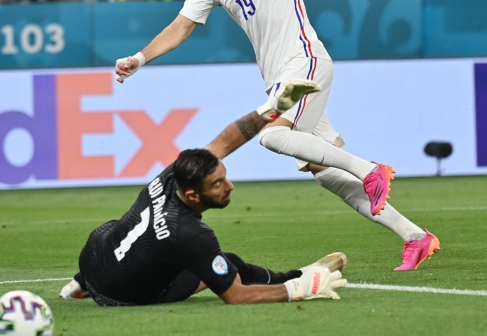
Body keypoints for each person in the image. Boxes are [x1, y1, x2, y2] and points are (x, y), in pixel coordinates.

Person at [115, 0, 448, 270]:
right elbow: (181, 26)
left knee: (271, 136)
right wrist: (140, 58)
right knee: (325, 173)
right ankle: (415, 236)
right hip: (279, 80)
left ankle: (370, 170)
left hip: (305, 61)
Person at [60, 88, 351, 306]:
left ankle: (81, 284)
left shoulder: (174, 175)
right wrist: (298, 291)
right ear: (192, 195)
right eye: (217, 185)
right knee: (229, 263)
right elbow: (236, 296)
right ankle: (298, 277)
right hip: (119, 295)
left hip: (92, 258)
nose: (229, 187)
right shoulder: (191, 233)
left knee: (127, 229)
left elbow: (224, 142)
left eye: (224, 177)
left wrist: (271, 110)